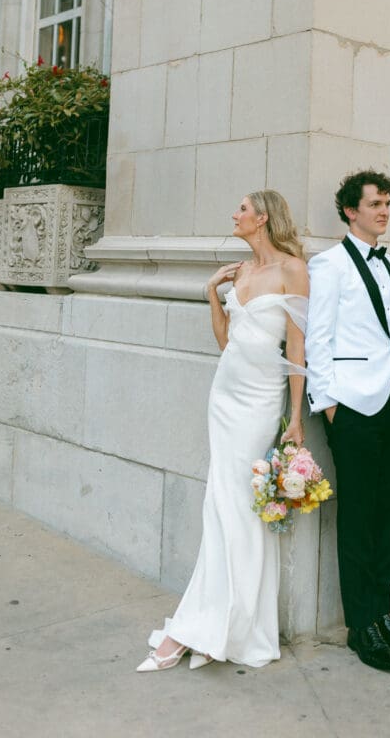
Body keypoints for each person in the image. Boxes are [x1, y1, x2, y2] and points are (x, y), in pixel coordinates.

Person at [137, 190, 309, 672]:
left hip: (259, 402)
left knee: (239, 507)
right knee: (220, 502)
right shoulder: (241, 271)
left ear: (263, 218)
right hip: (225, 395)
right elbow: (226, 342)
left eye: (241, 209)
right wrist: (212, 292)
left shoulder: (293, 270)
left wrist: (295, 417)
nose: (234, 215)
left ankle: (224, 624)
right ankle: (210, 621)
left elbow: (297, 349)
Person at [305, 170, 390, 672]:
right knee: (358, 519)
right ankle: (361, 628)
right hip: (353, 406)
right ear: (350, 211)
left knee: (387, 514)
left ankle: (382, 615)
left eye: (387, 203)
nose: (384, 211)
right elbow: (319, 339)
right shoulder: (329, 265)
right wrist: (330, 406)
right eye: (375, 203)